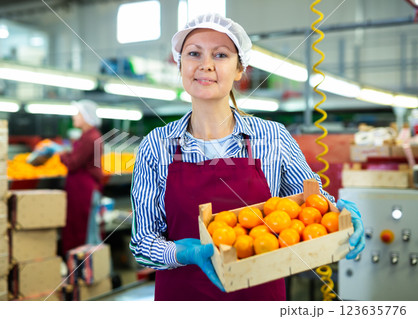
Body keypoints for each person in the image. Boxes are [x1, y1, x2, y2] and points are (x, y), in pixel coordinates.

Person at [130, 13, 365, 301]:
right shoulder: (155, 145)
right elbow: (142, 244)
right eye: (193, 53)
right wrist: (182, 252)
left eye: (220, 55)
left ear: (240, 69)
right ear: (180, 66)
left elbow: (310, 206)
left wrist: (339, 215)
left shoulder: (273, 138)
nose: (205, 65)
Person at [45, 99, 104, 256]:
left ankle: (81, 267)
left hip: (83, 190)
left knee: (80, 231)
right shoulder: (90, 136)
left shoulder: (90, 137)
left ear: (86, 116)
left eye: (77, 114)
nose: (74, 117)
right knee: (84, 229)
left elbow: (73, 163)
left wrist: (60, 153)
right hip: (82, 188)